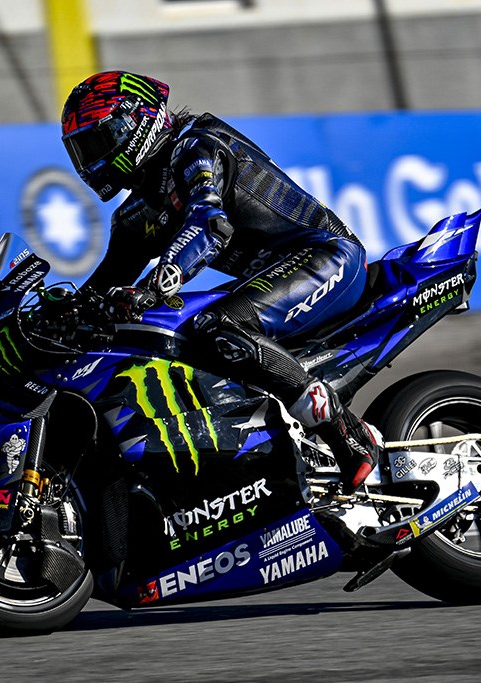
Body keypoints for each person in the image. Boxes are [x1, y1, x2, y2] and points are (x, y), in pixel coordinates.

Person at [60, 70, 382, 493]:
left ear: (136, 124)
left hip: (328, 257)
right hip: (270, 279)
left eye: (99, 141)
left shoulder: (196, 147)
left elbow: (209, 225)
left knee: (218, 324)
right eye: (82, 149)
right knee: (174, 339)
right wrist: (59, 315)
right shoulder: (135, 212)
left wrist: (155, 287)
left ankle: (347, 433)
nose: (92, 158)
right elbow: (107, 279)